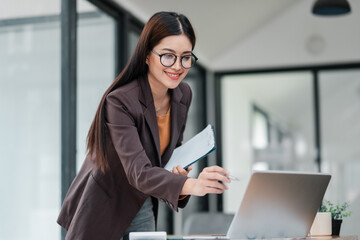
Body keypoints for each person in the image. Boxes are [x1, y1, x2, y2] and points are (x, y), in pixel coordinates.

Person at [57, 11, 231, 240]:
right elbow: (138, 172)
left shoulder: (183, 94)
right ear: (147, 56)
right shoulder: (120, 101)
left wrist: (179, 170)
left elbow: (165, 156)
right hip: (103, 204)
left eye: (186, 57)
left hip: (142, 200)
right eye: (168, 56)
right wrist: (192, 185)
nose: (178, 66)